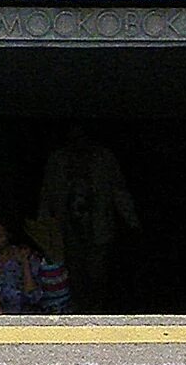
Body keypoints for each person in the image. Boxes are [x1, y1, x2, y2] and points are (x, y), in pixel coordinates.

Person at [38, 125, 138, 314]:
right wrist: (43, 225)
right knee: (72, 271)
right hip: (67, 227)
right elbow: (47, 192)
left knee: (97, 272)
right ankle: (77, 309)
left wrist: (131, 221)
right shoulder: (58, 160)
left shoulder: (103, 158)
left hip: (98, 225)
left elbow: (118, 190)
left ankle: (97, 309)